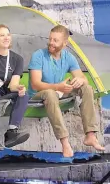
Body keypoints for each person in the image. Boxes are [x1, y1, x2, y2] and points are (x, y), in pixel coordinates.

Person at [27, 25, 105, 157]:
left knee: (87, 88)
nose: (51, 43)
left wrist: (80, 80)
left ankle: (90, 135)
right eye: (50, 39)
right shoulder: (38, 55)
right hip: (38, 96)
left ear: (65, 43)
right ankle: (65, 143)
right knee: (50, 93)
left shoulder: (69, 57)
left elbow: (82, 78)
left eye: (55, 40)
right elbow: (35, 85)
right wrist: (58, 87)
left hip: (59, 92)